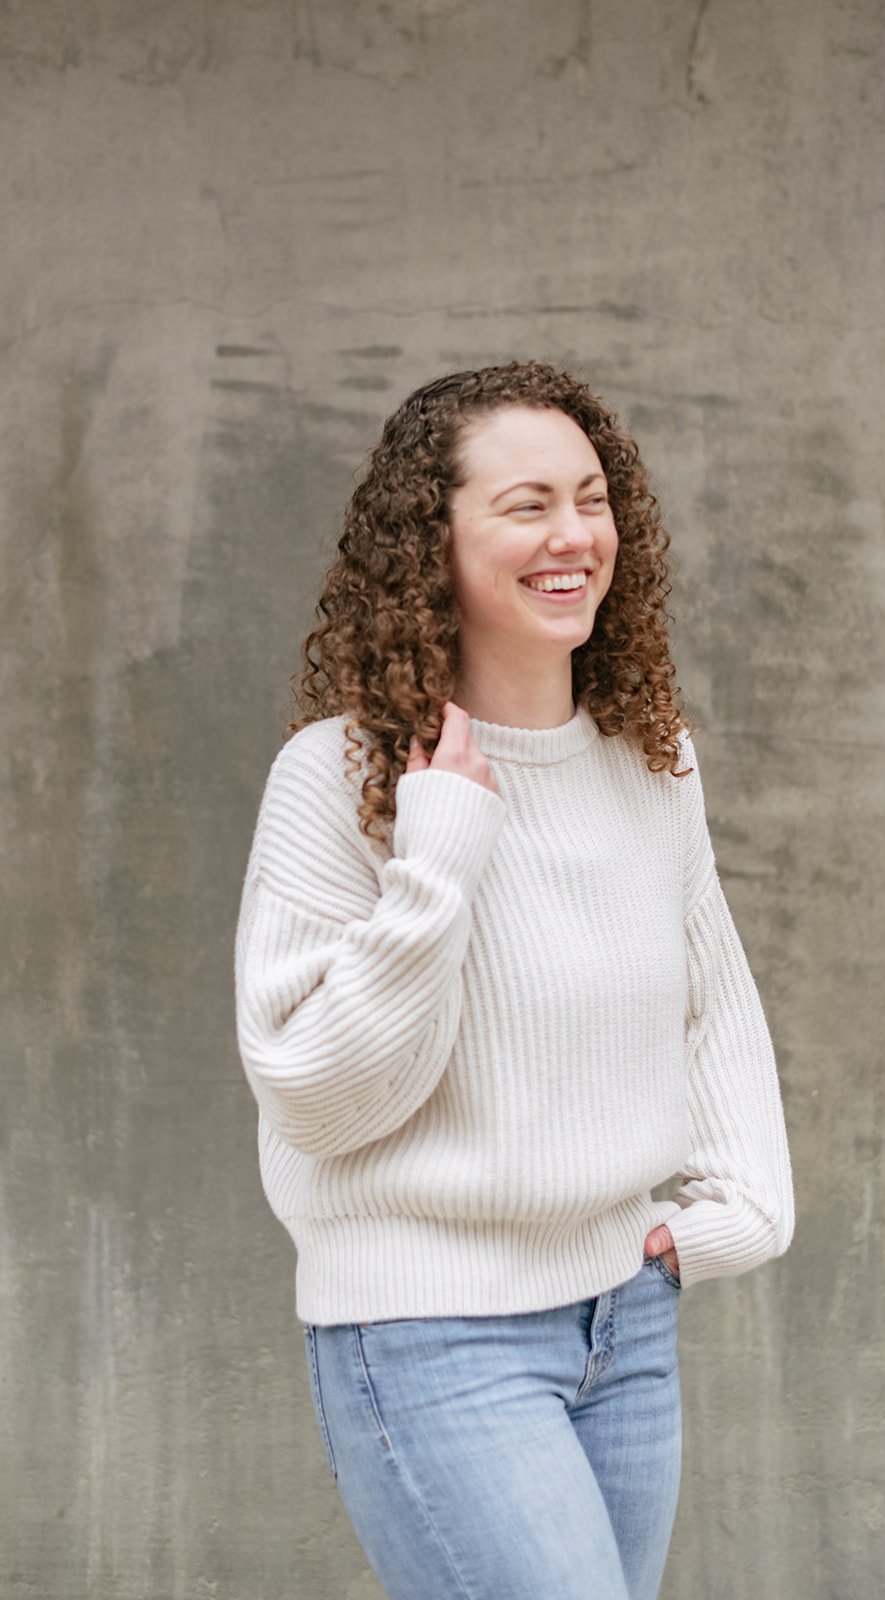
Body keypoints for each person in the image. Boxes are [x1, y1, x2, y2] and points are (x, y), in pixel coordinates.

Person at [233, 359, 795, 1600]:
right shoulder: (338, 777)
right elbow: (317, 1096)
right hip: (432, 1335)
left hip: (623, 1321)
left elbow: (707, 996)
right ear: (427, 544)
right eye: (526, 504)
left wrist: (746, 1204)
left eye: (591, 500)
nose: (573, 536)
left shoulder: (648, 759)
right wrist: (438, 852)